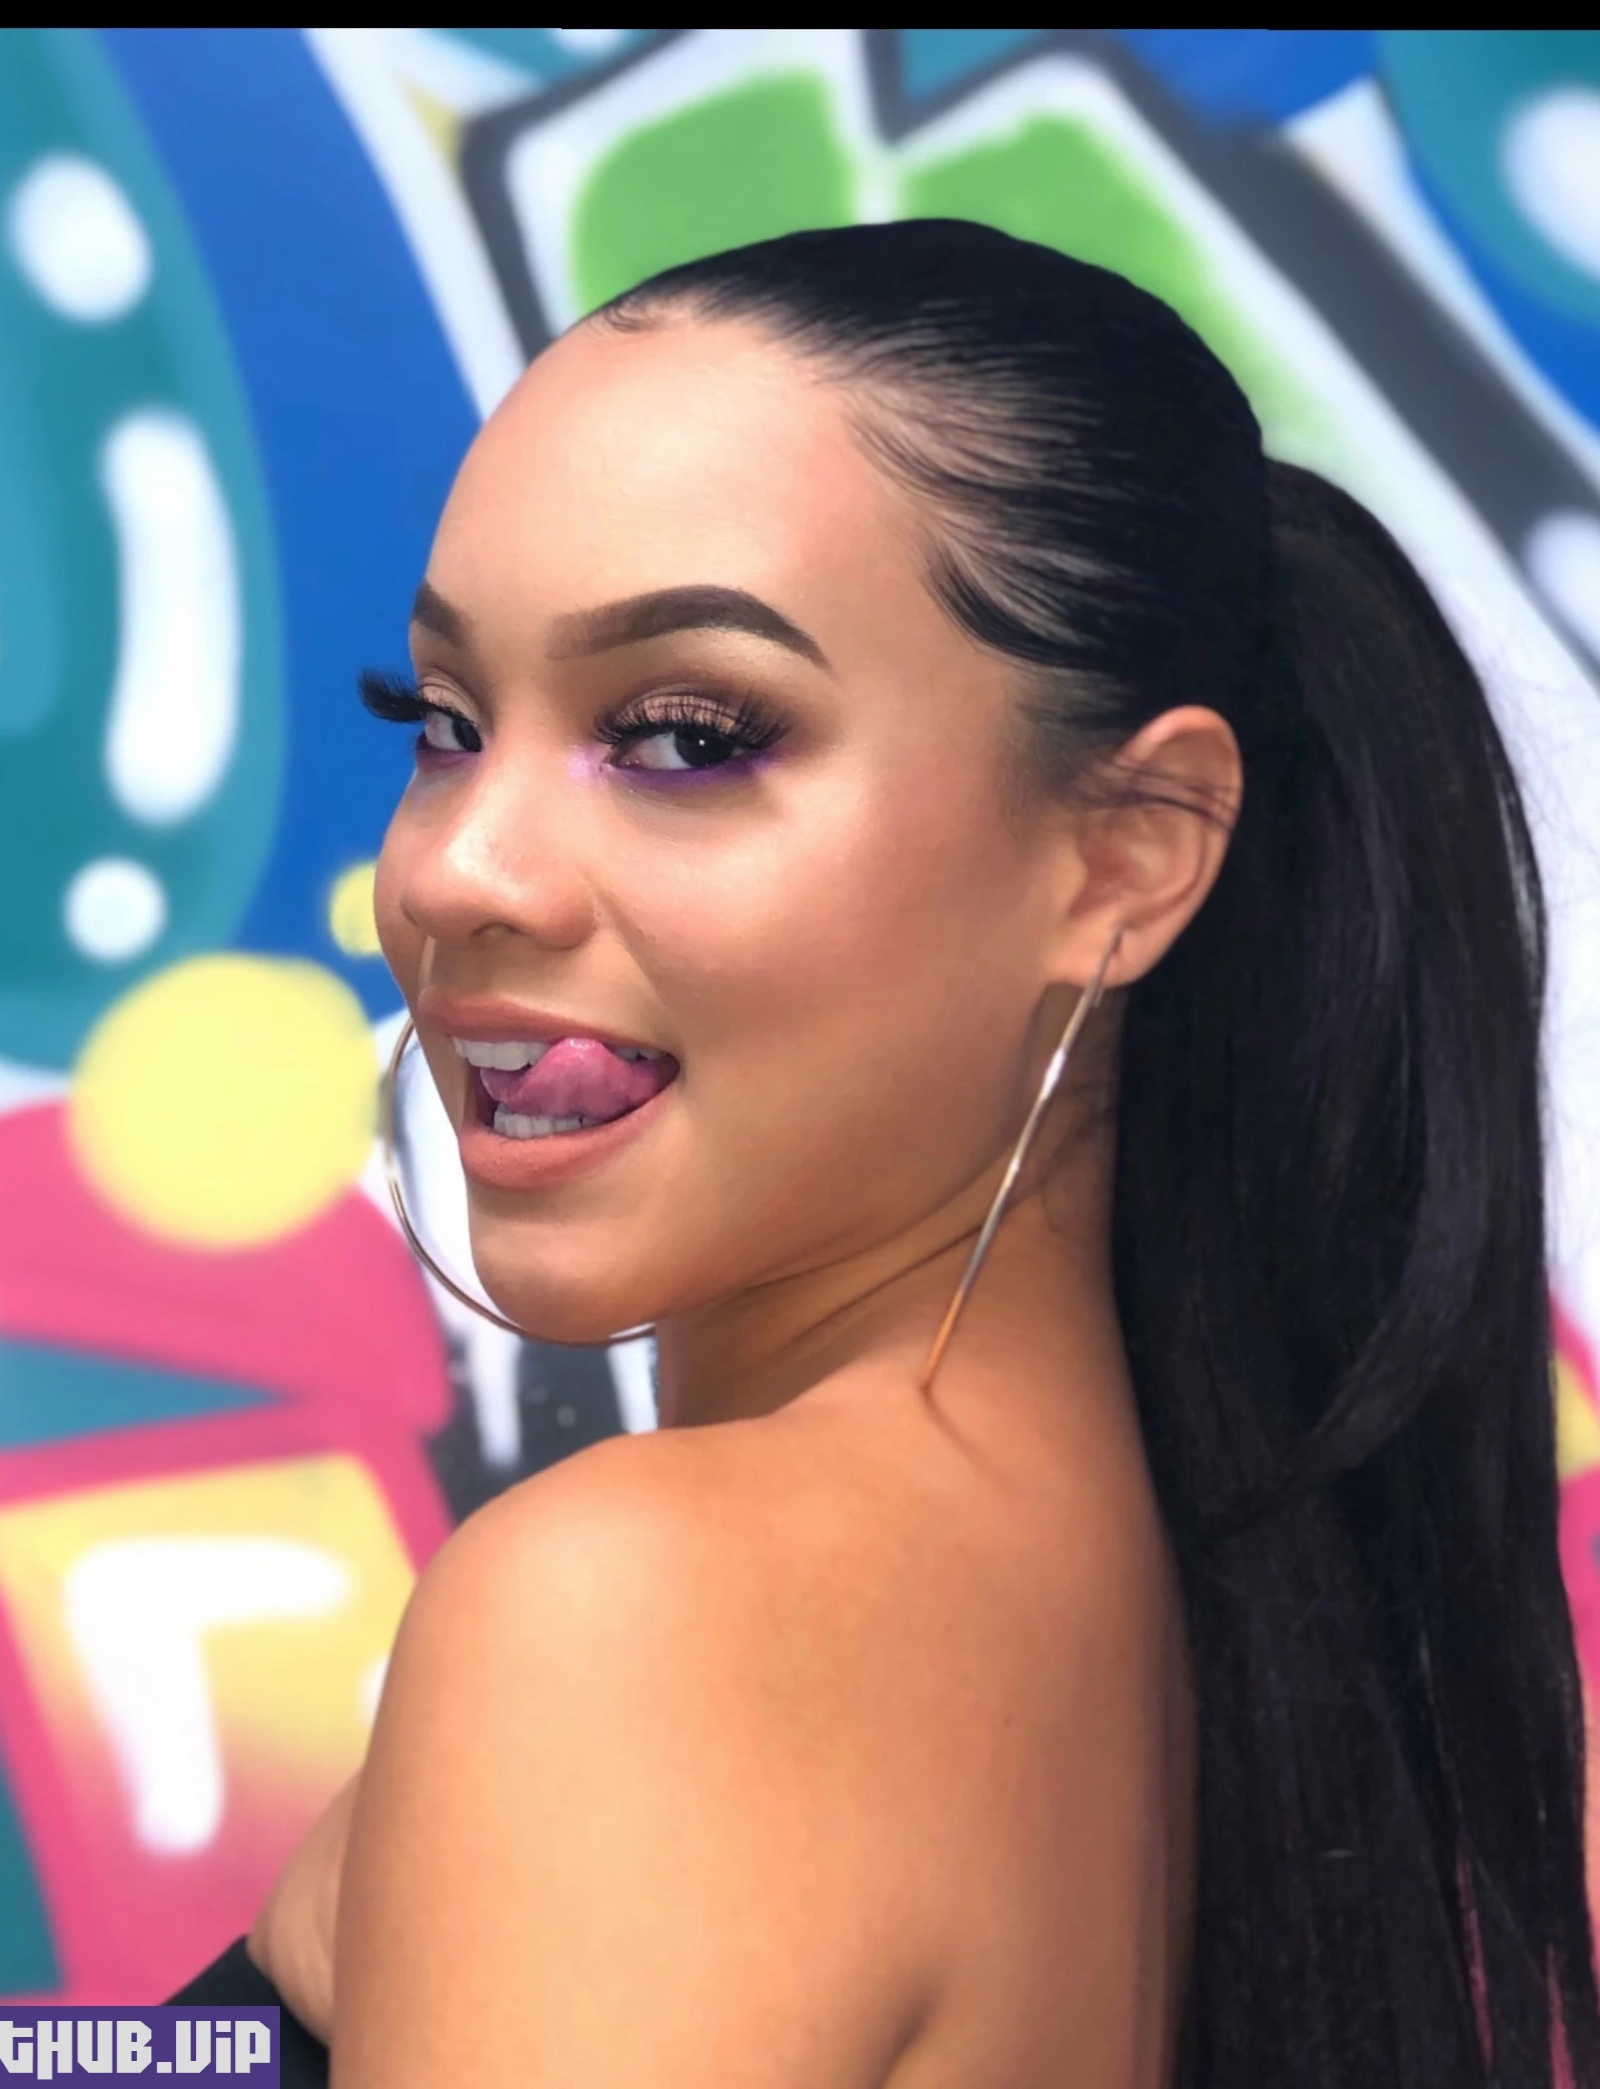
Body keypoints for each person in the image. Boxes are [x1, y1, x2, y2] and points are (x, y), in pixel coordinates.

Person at [171, 220, 1600, 2086]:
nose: (454, 871)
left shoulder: (647, 1623)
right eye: (442, 724)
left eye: (685, 735)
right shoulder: (1166, 1626)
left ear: (1126, 854)